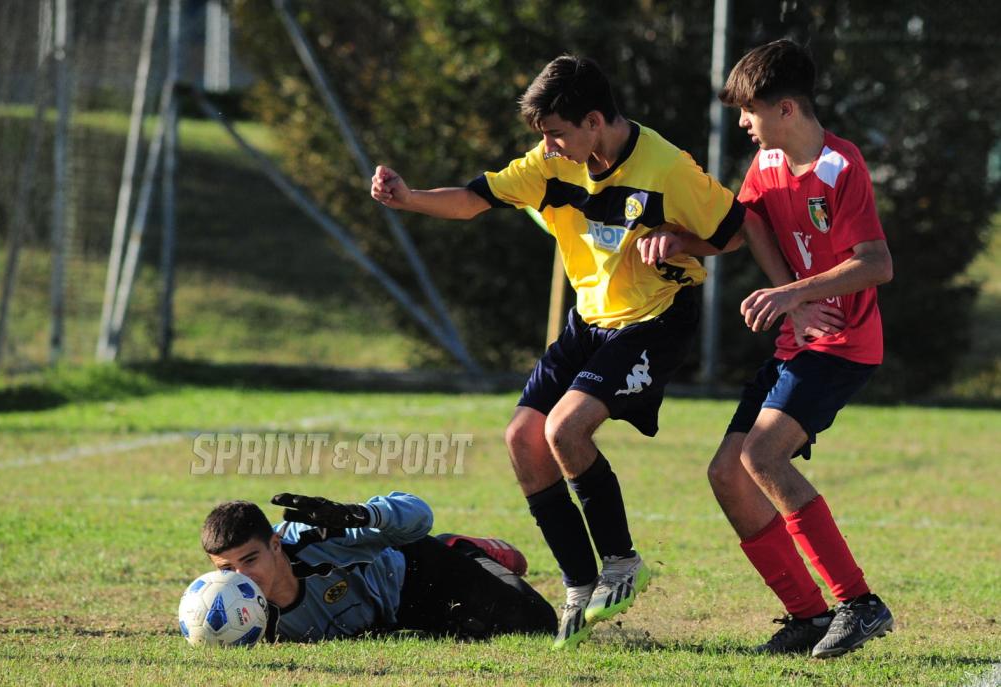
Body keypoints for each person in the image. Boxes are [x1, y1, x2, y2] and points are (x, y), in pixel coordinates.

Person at [370, 55, 781, 649]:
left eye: (557, 133)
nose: (548, 146)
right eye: (543, 136)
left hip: (654, 320)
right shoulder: (551, 163)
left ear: (594, 121)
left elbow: (733, 233)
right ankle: (580, 583)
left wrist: (678, 239)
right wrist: (408, 198)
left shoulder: (667, 168)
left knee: (565, 429)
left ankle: (622, 563)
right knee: (522, 437)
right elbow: (473, 198)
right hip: (589, 321)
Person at [701, 39, 895, 658]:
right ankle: (807, 617)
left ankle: (859, 604)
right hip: (798, 341)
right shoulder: (766, 164)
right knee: (727, 474)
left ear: (786, 109)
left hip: (843, 344)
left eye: (749, 110)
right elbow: (746, 226)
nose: (742, 123)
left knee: (761, 455)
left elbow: (877, 264)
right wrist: (675, 240)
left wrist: (792, 294)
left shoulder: (841, 166)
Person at [201, 491, 556, 642]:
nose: (241, 577)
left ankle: (462, 548)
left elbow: (419, 512)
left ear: (276, 544)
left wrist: (359, 515)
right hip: (387, 622)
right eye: (227, 568)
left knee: (536, 624)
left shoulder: (317, 537)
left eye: (250, 560)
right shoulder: (226, 608)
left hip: (414, 574)